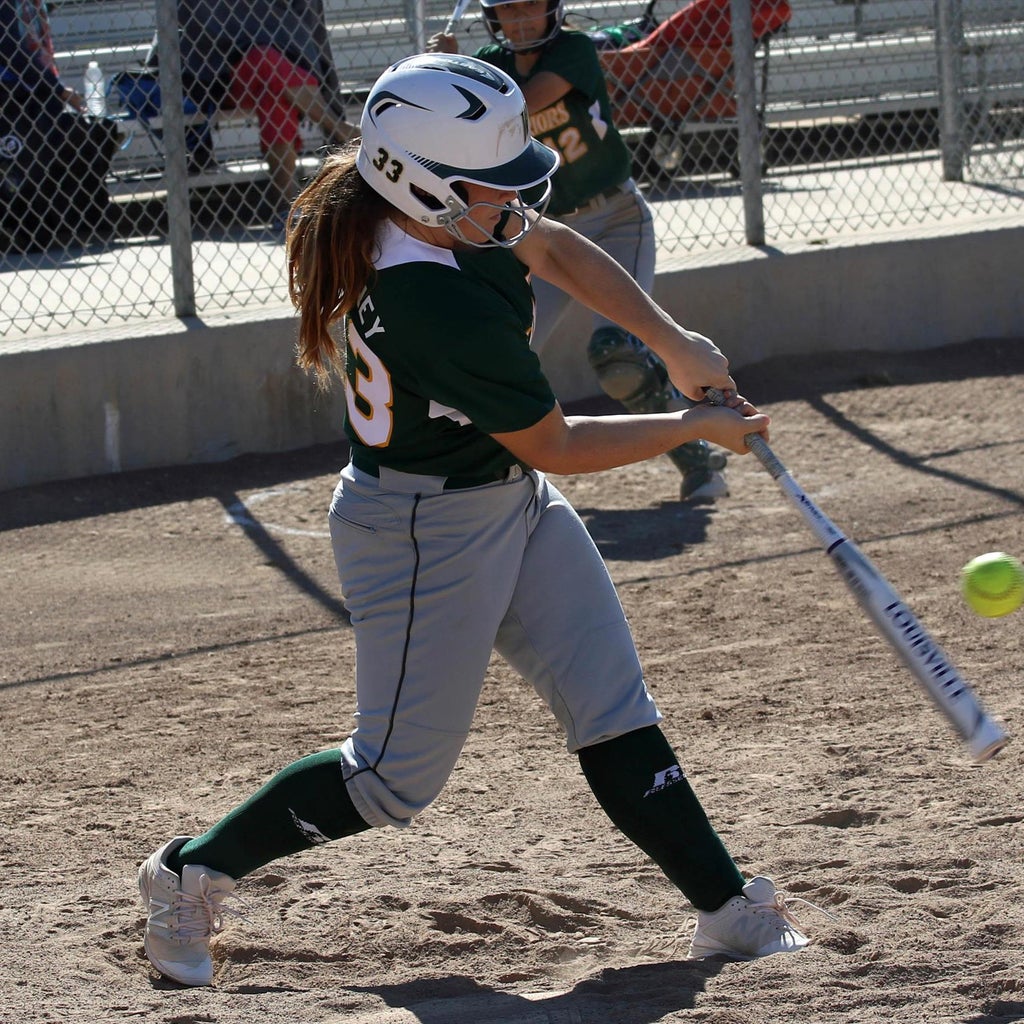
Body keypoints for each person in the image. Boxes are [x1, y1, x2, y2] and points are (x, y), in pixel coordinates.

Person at [136, 53, 814, 988]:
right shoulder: (431, 299)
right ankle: (186, 873)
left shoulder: (431, 207)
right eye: (493, 189)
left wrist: (673, 342)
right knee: (388, 779)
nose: (514, 204)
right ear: (419, 180)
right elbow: (556, 444)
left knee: (612, 705)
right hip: (423, 531)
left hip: (501, 496)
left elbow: (554, 246)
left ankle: (728, 908)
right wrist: (692, 427)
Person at [428, 0, 727, 503]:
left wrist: (462, 79)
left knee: (617, 357)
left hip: (613, 220)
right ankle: (482, 484)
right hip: (537, 236)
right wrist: (444, 75)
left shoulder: (575, 51)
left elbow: (521, 103)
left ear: (552, 10)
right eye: (509, 11)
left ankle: (698, 462)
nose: (520, 21)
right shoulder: (489, 64)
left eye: (530, 9)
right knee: (500, 355)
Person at [175, 0, 359, 219]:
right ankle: (338, 127)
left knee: (273, 94)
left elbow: (312, 38)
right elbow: (197, 32)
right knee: (264, 59)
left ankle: (286, 208)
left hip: (275, 80)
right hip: (219, 79)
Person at [0, 0, 120, 250]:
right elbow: (11, 50)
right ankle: (23, 230)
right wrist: (59, 91)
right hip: (12, 98)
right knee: (26, 160)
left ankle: (53, 224)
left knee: (77, 135)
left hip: (35, 95)